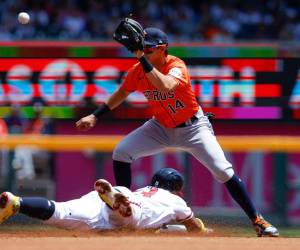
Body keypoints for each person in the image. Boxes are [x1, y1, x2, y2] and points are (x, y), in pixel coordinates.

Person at [76, 22, 279, 237]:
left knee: (223, 170)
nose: (144, 51)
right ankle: (125, 209)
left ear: (162, 49)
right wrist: (94, 115)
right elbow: (120, 94)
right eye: (142, 48)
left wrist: (141, 58)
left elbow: (164, 85)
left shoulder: (176, 66)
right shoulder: (138, 70)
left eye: (149, 48)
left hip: (193, 128)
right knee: (121, 152)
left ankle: (258, 220)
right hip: (160, 127)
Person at [0, 168, 209, 233]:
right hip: (132, 212)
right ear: (175, 189)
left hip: (117, 198)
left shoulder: (145, 190)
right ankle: (116, 202)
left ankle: (16, 203)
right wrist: (202, 230)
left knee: (59, 211)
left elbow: (161, 229)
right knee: (129, 218)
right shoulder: (175, 201)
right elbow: (193, 226)